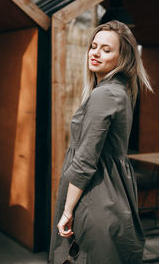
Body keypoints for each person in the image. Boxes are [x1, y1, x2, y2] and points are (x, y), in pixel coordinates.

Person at [48, 20, 153, 264]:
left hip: (95, 197)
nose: (95, 53)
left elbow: (85, 160)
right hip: (112, 195)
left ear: (122, 57)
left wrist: (67, 210)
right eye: (94, 46)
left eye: (106, 49)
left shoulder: (104, 94)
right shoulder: (120, 91)